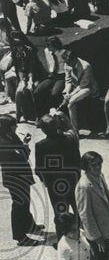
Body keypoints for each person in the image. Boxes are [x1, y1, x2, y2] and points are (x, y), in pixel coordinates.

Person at [33, 113, 80, 239]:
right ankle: (82, 238)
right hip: (73, 181)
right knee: (78, 210)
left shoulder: (41, 145)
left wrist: (46, 182)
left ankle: (62, 241)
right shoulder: (70, 139)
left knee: (60, 214)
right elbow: (77, 161)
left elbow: (39, 169)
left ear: (43, 130)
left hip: (55, 186)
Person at [0, 113, 39, 245]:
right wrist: (25, 145)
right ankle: (20, 236)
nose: (16, 126)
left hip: (21, 175)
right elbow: (22, 155)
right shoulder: (3, 143)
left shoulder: (10, 136)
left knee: (25, 201)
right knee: (19, 205)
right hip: (14, 178)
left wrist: (24, 144)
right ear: (6, 127)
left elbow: (24, 154)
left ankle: (29, 225)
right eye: (13, 125)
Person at [58, 49, 97, 133]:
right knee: (66, 97)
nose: (67, 65)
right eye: (66, 62)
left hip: (88, 88)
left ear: (74, 59)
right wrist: (67, 93)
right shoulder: (67, 64)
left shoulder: (86, 66)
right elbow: (68, 80)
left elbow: (83, 85)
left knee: (71, 102)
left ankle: (74, 131)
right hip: (76, 88)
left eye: (69, 62)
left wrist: (71, 95)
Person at [33, 36, 65, 113]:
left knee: (54, 94)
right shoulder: (47, 51)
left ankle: (56, 115)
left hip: (61, 76)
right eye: (47, 45)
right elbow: (49, 63)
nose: (47, 47)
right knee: (37, 92)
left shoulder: (63, 52)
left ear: (55, 45)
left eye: (49, 45)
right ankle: (40, 114)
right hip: (52, 76)